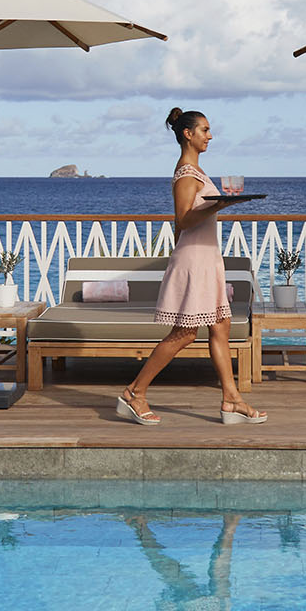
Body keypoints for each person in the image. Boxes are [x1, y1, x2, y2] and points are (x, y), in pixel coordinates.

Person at [117, 108, 267, 425]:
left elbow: (182, 223)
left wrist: (219, 204)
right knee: (185, 333)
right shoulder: (187, 174)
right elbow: (183, 219)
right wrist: (221, 204)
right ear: (188, 134)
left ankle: (232, 400)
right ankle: (134, 392)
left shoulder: (197, 171)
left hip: (206, 259)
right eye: (205, 130)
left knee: (221, 327)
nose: (210, 136)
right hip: (195, 260)